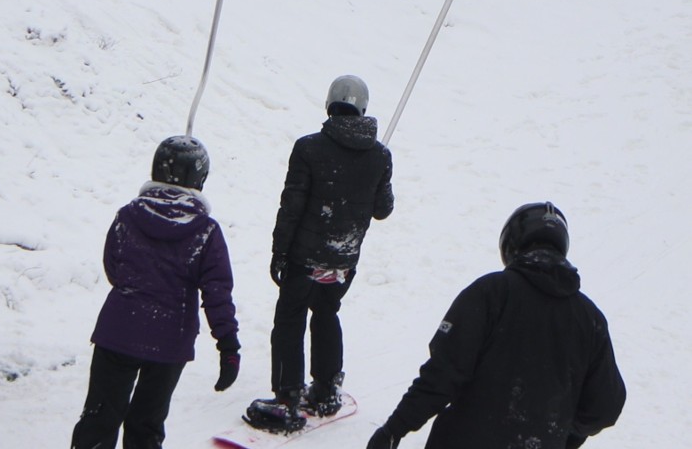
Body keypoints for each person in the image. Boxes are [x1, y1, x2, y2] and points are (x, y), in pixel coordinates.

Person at [367, 202, 626, 449]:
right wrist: (560, 435)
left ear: (510, 245)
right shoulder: (590, 319)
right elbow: (605, 406)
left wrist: (394, 430)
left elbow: (442, 375)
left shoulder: (491, 293)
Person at [245, 75, 394, 432]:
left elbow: (291, 206)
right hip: (344, 258)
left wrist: (279, 252)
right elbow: (382, 209)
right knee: (327, 311)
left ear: (330, 104)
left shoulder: (309, 148)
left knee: (290, 318)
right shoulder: (379, 155)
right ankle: (326, 389)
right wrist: (377, 174)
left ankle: (287, 398)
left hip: (305, 257)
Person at [71, 136, 240, 449]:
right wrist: (228, 346)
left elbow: (114, 268)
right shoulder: (206, 231)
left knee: (98, 419)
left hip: (118, 331)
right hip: (170, 341)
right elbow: (217, 292)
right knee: (146, 428)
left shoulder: (127, 215)